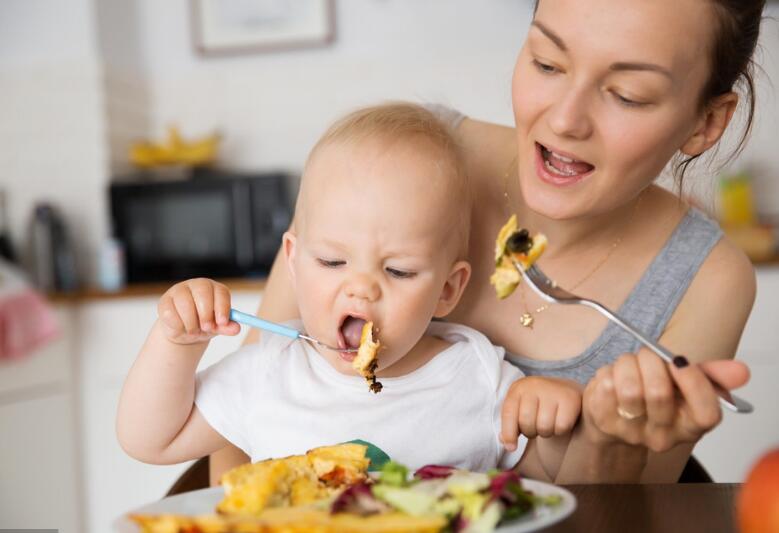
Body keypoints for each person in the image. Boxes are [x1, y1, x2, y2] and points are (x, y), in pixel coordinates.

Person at [211, 0, 763, 484]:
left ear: (706, 122)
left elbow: (624, 511)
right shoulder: (395, 160)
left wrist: (606, 441)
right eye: (547, 63)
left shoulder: (706, 280)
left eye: (628, 95)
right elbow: (240, 427)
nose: (565, 120)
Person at [116, 103, 586, 475]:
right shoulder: (270, 372)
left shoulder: (478, 377)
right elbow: (150, 440)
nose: (361, 289)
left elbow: (547, 485)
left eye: (398, 271)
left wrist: (550, 420)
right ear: (293, 261)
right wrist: (177, 342)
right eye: (332, 262)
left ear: (448, 289)